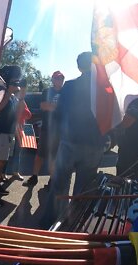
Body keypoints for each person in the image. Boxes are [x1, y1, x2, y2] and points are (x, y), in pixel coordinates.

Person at [42, 52, 105, 227]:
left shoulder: (68, 87)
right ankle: (75, 225)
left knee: (60, 185)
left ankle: (50, 222)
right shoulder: (104, 87)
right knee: (83, 190)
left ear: (79, 67)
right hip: (94, 144)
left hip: (70, 141)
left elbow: (59, 113)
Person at [0, 65, 22, 207]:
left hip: (8, 132)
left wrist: (19, 94)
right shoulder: (1, 94)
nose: (16, 84)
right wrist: (8, 92)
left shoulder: (13, 96)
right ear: (8, 82)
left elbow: (15, 113)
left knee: (3, 162)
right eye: (14, 81)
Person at [23, 71, 65, 187]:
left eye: (61, 79)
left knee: (54, 156)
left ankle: (52, 180)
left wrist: (52, 107)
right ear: (52, 79)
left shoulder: (66, 92)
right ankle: (34, 177)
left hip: (59, 131)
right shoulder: (47, 91)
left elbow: (65, 109)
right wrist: (59, 107)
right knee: (40, 155)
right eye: (57, 78)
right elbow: (43, 106)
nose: (59, 81)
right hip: (47, 129)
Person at [5, 78, 31, 182]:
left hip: (20, 128)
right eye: (23, 91)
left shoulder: (22, 101)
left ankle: (15, 172)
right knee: (8, 152)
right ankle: (3, 172)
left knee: (17, 152)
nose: (24, 93)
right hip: (12, 128)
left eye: (25, 91)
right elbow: (17, 114)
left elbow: (28, 114)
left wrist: (23, 111)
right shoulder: (13, 99)